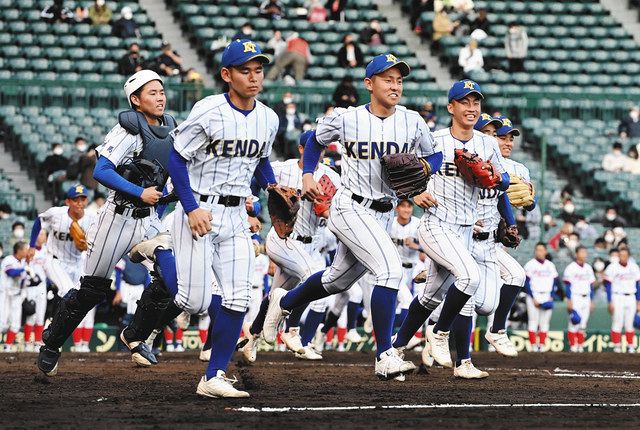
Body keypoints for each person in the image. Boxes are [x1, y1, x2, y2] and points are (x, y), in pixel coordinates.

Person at [262, 53, 442, 381]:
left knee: (337, 280)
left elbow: (435, 153)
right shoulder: (346, 118)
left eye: (399, 80)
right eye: (388, 79)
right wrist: (308, 175)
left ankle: (285, 300)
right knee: (388, 271)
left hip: (385, 212)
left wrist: (428, 167)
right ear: (369, 84)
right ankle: (385, 354)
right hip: (350, 206)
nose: (395, 85)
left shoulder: (412, 120)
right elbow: (316, 142)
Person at [36, 70, 179, 377]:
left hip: (149, 220)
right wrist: (140, 191)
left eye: (161, 91)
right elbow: (102, 171)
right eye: (151, 93)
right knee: (91, 291)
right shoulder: (128, 129)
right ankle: (52, 342)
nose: (160, 97)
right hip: (117, 218)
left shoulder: (171, 128)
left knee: (171, 278)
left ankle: (135, 334)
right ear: (135, 100)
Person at [166, 39, 279, 398]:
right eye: (245, 70)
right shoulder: (208, 109)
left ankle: (213, 376)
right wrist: (190, 206)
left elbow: (259, 161)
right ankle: (158, 254)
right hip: (198, 206)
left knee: (238, 298)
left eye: (258, 70)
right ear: (227, 75)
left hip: (235, 214)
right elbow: (176, 158)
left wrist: (273, 187)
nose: (253, 77)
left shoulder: (269, 118)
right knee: (195, 302)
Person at [390, 81, 509, 376]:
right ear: (450, 107)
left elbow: (504, 181)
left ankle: (394, 350)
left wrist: (492, 176)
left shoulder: (487, 143)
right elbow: (398, 166)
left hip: (466, 229)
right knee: (468, 278)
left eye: (475, 103)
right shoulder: (434, 139)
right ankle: (440, 333)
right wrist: (415, 192)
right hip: (436, 224)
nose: (471, 108)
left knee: (430, 296)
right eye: (464, 102)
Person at [241, 132, 340, 363]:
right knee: (312, 279)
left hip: (311, 244)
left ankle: (252, 338)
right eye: (314, 148)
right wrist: (252, 200)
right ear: (302, 149)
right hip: (283, 237)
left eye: (323, 149)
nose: (320, 153)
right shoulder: (282, 169)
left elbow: (337, 205)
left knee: (276, 295)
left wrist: (328, 206)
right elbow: (255, 173)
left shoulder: (329, 176)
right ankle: (292, 331)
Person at [29, 186, 97, 352]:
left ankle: (56, 326)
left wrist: (87, 246)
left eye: (83, 199)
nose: (79, 203)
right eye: (75, 199)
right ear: (68, 202)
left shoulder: (92, 218)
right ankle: (52, 326)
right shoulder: (56, 213)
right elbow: (39, 221)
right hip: (55, 260)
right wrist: (31, 245)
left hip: (77, 263)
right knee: (67, 291)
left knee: (79, 297)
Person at [524, 243, 559, 352]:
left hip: (547, 295)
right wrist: (532, 296)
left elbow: (555, 282)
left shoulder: (550, 265)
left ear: (545, 251)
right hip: (534, 295)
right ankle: (534, 345)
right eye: (537, 250)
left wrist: (552, 296)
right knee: (533, 321)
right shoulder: (530, 264)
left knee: (545, 322)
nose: (539, 252)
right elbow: (526, 283)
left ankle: (542, 345)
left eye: (541, 250)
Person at [604, 247, 640, 353]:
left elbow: (638, 285)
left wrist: (639, 300)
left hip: (631, 296)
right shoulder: (612, 267)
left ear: (628, 256)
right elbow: (608, 286)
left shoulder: (634, 267)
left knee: (630, 323)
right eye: (621, 255)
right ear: (618, 255)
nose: (623, 257)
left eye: (625, 255)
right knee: (617, 321)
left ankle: (631, 346)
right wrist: (610, 301)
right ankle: (617, 346)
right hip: (617, 296)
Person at [564, 246, 595, 353]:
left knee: (583, 325)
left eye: (585, 252)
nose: (584, 254)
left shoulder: (588, 268)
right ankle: (573, 346)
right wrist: (569, 300)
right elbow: (567, 286)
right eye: (582, 252)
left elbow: (591, 286)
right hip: (575, 297)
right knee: (574, 321)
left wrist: (591, 300)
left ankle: (580, 346)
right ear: (576, 254)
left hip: (586, 297)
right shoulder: (571, 268)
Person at [0, 242, 30, 352]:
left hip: (17, 295)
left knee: (15, 324)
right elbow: (11, 272)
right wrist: (24, 269)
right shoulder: (8, 259)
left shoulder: (23, 262)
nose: (27, 252)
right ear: (19, 250)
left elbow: (24, 280)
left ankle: (7, 348)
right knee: (2, 323)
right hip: (5, 295)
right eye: (26, 249)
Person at [23, 230, 48, 352]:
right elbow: (23, 265)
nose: (41, 236)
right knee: (31, 314)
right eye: (39, 233)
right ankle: (27, 343)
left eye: (43, 234)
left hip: (42, 285)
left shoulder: (47, 249)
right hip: (30, 285)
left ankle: (38, 342)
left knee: (40, 315)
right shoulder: (28, 248)